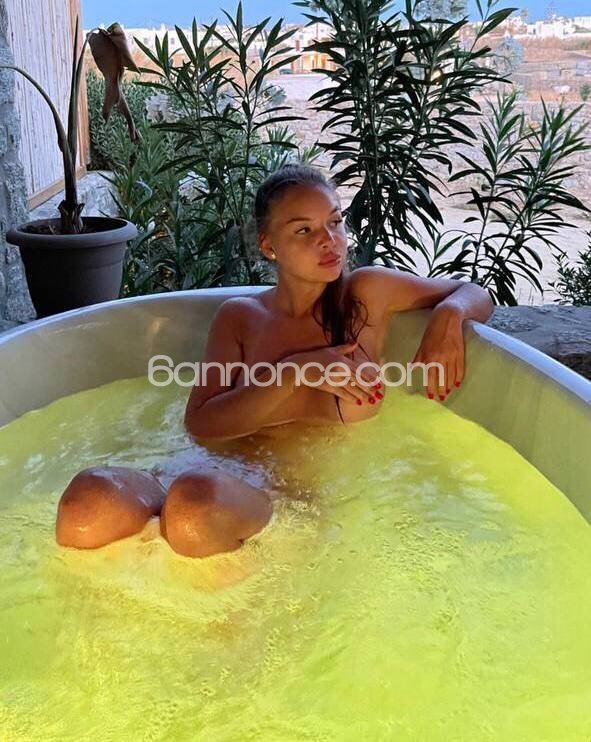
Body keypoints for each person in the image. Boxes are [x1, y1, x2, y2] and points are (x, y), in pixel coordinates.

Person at [56, 163, 493, 557]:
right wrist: (297, 371)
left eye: (335, 222)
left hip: (284, 501)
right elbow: (202, 424)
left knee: (194, 507)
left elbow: (474, 292)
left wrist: (449, 315)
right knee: (86, 501)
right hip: (196, 471)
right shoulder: (241, 318)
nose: (329, 240)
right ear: (269, 246)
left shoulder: (365, 296)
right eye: (304, 230)